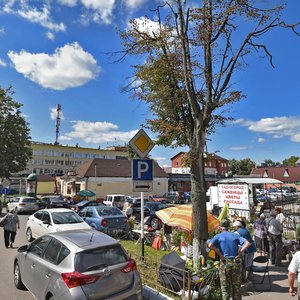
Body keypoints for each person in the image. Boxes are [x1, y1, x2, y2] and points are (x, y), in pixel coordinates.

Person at [208, 219, 250, 300]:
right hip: (235, 263)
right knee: (236, 288)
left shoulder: (218, 236)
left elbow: (210, 245)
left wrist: (219, 253)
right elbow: (247, 243)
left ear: (220, 227)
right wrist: (240, 252)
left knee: (225, 288)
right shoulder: (235, 235)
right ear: (229, 227)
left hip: (224, 263)